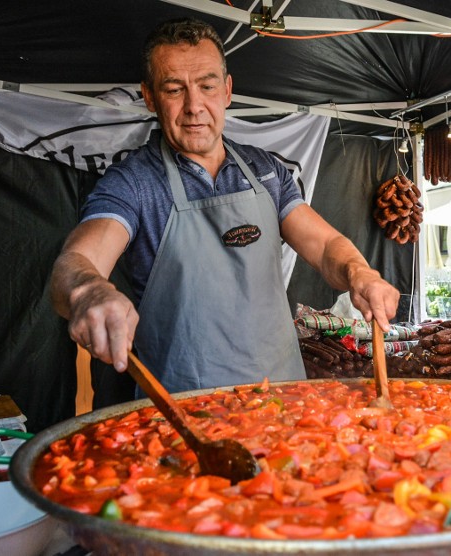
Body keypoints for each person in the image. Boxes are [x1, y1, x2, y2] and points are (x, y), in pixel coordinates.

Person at [50, 17, 400, 395]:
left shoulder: (267, 172)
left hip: (283, 400)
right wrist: (88, 291)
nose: (194, 106)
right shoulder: (133, 183)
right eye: (173, 89)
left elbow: (327, 246)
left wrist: (359, 273)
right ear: (149, 96)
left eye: (207, 86)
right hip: (183, 409)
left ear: (227, 90)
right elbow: (74, 262)